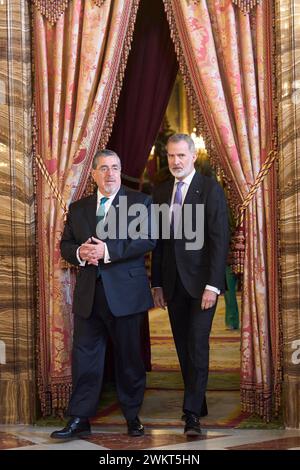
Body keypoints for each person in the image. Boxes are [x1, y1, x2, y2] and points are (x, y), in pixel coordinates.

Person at [51, 149, 156, 440]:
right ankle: (79, 418)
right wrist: (80, 253)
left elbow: (146, 239)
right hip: (89, 295)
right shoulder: (78, 208)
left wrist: (106, 251)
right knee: (85, 359)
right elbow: (65, 245)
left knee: (129, 359)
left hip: (126, 295)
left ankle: (133, 416)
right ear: (94, 174)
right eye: (104, 168)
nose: (110, 174)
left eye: (115, 167)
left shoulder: (140, 201)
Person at [151, 134, 229, 436]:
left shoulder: (210, 190)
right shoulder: (160, 193)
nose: (176, 161)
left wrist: (213, 284)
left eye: (181, 155)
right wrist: (157, 283)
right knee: (183, 347)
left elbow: (218, 240)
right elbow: (158, 245)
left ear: (193, 156)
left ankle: (192, 413)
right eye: (171, 156)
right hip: (173, 284)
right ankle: (197, 398)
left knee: (197, 344)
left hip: (202, 286)